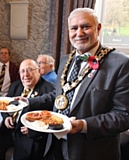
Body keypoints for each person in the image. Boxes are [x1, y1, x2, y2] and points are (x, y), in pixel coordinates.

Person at [17, 8, 129, 160]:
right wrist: (28, 101)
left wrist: (83, 125)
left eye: (85, 27)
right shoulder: (65, 60)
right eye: (74, 28)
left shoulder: (120, 63)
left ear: (98, 28)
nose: (79, 33)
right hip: (55, 146)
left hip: (91, 151)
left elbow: (123, 116)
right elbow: (58, 96)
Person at [0, 59, 55, 160]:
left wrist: (34, 130)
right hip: (10, 129)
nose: (25, 75)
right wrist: (6, 117)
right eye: (22, 71)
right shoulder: (15, 86)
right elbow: (5, 105)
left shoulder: (49, 90)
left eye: (30, 70)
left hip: (30, 135)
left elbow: (51, 118)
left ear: (38, 71)